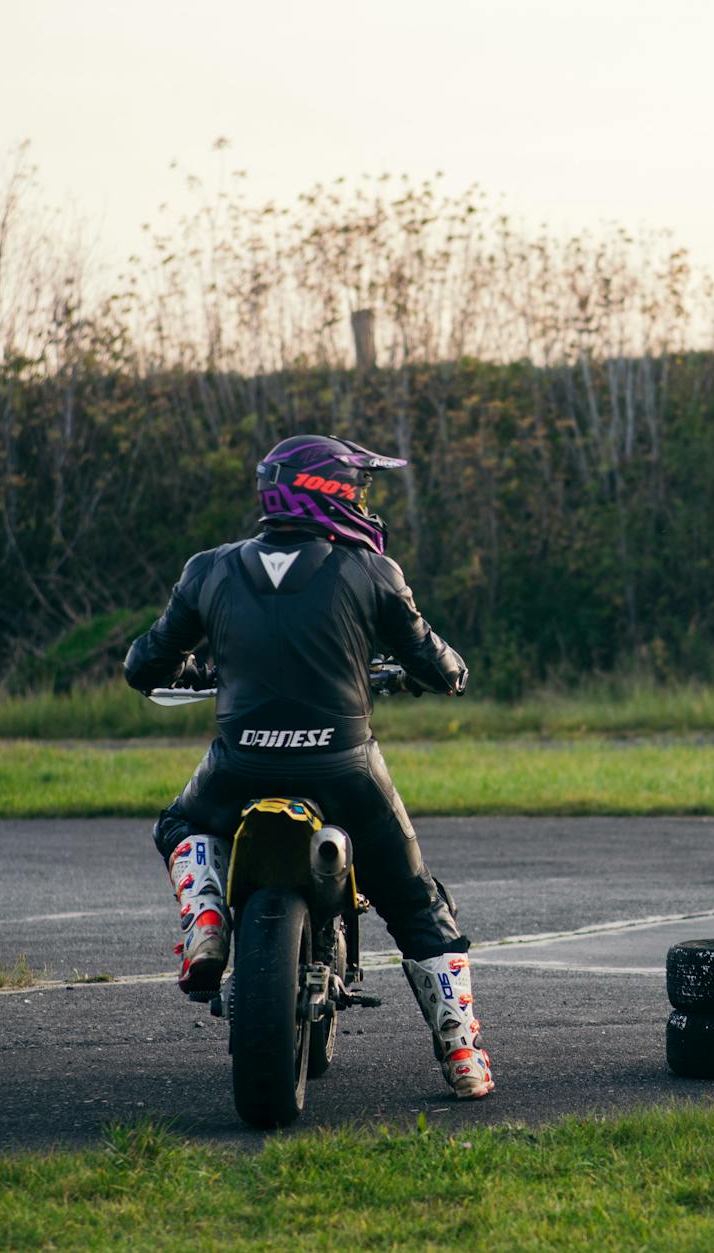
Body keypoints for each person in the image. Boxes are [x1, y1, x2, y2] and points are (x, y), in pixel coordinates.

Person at [123, 435, 493, 1099]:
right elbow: (435, 659)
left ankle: (206, 918)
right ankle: (461, 1050)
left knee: (181, 820)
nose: (363, 501)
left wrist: (191, 669)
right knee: (415, 899)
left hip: (240, 766)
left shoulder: (208, 569)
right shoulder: (371, 572)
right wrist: (448, 672)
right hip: (344, 769)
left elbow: (142, 664)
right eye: (357, 487)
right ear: (329, 491)